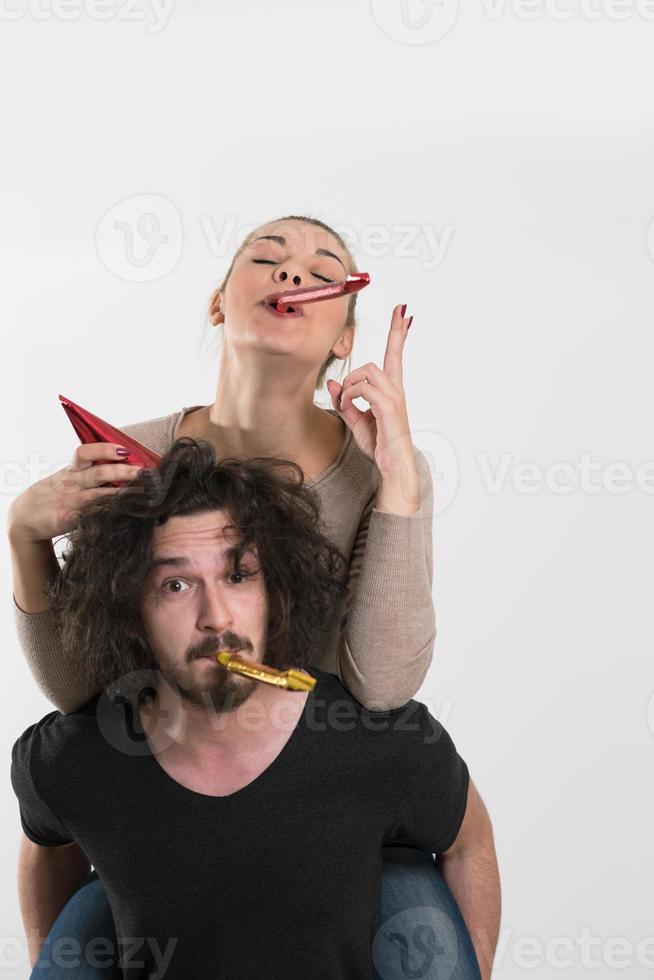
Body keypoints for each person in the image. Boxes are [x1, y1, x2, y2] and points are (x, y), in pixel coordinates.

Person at [8, 214, 480, 977]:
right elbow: (82, 688)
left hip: (337, 819)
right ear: (218, 303)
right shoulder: (130, 458)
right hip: (174, 807)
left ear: (343, 340)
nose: (292, 273)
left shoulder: (377, 469)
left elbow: (385, 684)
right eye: (267, 258)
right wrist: (26, 539)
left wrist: (398, 477)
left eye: (322, 266)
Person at [11, 439, 500, 980]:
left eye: (238, 575)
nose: (216, 618)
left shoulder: (382, 743)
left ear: (275, 590)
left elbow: (469, 840)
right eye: (175, 585)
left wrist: (472, 968)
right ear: (130, 613)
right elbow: (46, 844)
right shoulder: (73, 758)